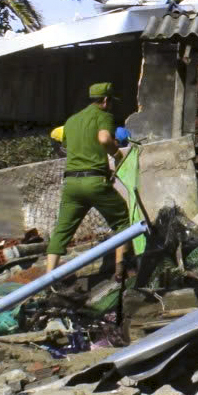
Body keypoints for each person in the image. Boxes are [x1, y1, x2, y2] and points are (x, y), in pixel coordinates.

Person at [48, 82, 133, 280]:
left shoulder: (71, 121)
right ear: (105, 100)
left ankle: (48, 279)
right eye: (111, 101)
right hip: (94, 181)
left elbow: (69, 147)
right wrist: (117, 154)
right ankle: (121, 269)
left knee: (62, 231)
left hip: (71, 183)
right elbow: (104, 138)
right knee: (122, 221)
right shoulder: (104, 116)